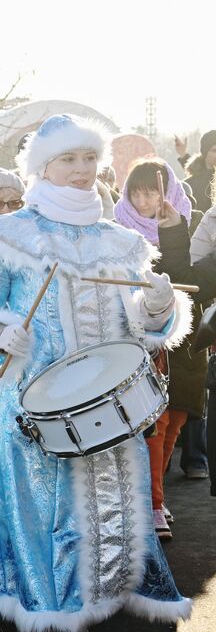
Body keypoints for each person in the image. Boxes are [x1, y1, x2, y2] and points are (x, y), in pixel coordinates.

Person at [0, 114, 193, 632]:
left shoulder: (121, 240)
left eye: (90, 159)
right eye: (69, 160)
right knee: (39, 528)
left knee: (98, 526)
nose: (83, 170)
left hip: (107, 416)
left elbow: (143, 327)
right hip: (33, 410)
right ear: (42, 166)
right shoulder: (7, 234)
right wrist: (0, 330)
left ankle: (81, 626)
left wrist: (159, 309)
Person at [115, 158, 198, 539]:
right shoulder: (118, 229)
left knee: (177, 420)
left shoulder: (188, 222)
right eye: (137, 191)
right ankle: (152, 503)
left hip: (186, 337)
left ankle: (156, 495)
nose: (144, 199)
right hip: (142, 340)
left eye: (152, 190)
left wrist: (173, 233)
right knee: (153, 423)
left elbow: (193, 278)